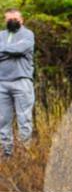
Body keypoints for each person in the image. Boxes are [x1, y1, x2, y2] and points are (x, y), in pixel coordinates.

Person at [0, 9, 35, 157]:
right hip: (2, 83)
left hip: (22, 81)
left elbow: (21, 49)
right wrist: (11, 51)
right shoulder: (1, 35)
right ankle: (6, 154)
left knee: (24, 119)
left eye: (15, 19)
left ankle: (24, 155)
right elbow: (15, 51)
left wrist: (3, 50)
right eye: (9, 19)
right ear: (5, 20)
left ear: (22, 20)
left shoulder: (28, 34)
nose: (12, 21)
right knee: (2, 121)